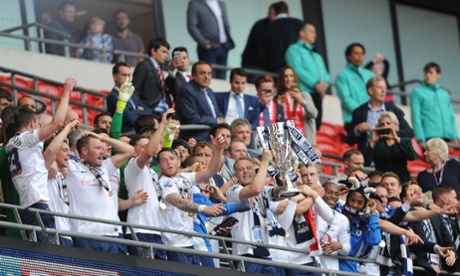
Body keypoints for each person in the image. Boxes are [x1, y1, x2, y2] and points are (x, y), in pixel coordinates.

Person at [5, 77, 75, 242]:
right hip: (38, 205)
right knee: (46, 257)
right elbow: (56, 123)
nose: (39, 130)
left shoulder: (12, 144)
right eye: (38, 126)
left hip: (29, 204)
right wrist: (66, 91)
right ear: (31, 125)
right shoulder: (26, 139)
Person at [156, 134, 226, 264]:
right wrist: (203, 208)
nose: (169, 162)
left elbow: (212, 170)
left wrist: (217, 150)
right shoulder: (165, 181)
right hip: (173, 243)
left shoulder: (186, 178)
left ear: (179, 161)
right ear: (159, 166)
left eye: (171, 158)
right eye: (164, 160)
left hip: (188, 241)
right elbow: (177, 201)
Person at [66, 131, 134, 252]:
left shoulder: (105, 166)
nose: (102, 152)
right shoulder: (72, 167)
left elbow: (129, 151)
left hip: (111, 234)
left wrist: (101, 137)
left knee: (112, 271)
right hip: (85, 234)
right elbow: (51, 155)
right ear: (84, 151)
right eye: (97, 148)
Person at [124, 109, 174, 259]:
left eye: (149, 145)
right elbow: (149, 152)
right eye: (143, 146)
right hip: (140, 229)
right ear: (134, 151)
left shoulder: (153, 172)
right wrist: (162, 125)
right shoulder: (133, 166)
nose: (148, 149)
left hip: (157, 231)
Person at [346, 76, 414, 153]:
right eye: (379, 88)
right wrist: (357, 130)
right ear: (370, 90)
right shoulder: (358, 112)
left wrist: (392, 133)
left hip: (390, 157)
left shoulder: (395, 110)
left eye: (385, 88)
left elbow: (409, 132)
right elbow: (349, 141)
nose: (383, 91)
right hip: (368, 157)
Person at [286, 22, 330, 130]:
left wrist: (325, 85)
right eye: (311, 31)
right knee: (302, 125)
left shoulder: (317, 55)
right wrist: (315, 84)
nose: (315, 34)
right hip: (303, 93)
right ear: (302, 33)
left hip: (318, 94)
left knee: (316, 125)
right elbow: (296, 69)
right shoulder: (293, 49)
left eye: (315, 32)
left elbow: (325, 74)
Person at [43, 119, 79, 246]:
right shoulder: (45, 170)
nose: (69, 154)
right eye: (64, 150)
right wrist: (68, 127)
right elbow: (48, 152)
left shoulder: (66, 174)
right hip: (52, 234)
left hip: (67, 236)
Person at [410, 62, 458, 149]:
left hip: (447, 137)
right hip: (429, 137)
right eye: (426, 72)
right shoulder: (417, 92)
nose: (428, 75)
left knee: (446, 162)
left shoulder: (445, 93)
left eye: (431, 72)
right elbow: (416, 117)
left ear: (438, 75)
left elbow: (451, 116)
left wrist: (455, 135)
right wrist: (420, 138)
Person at [176, 61, 224, 141]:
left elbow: (216, 112)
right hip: (195, 138)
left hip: (212, 137)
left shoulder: (209, 91)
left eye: (209, 74)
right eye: (202, 73)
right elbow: (192, 117)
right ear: (193, 75)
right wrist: (217, 121)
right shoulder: (187, 90)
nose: (206, 77)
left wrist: (222, 118)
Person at [186, 0, 235, 80]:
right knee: (209, 78)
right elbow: (192, 26)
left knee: (222, 78)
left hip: (223, 47)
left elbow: (226, 24)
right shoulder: (195, 4)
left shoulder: (221, 4)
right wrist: (205, 43)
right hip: (208, 49)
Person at [364, 111, 417, 183]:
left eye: (388, 123)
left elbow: (412, 156)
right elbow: (366, 162)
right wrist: (373, 141)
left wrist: (397, 138)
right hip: (382, 181)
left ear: (395, 125)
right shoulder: (376, 144)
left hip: (402, 180)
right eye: (382, 124)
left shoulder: (404, 141)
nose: (385, 126)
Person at [335, 43, 375, 129]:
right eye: (356, 53)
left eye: (362, 53)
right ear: (348, 56)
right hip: (352, 120)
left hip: (373, 119)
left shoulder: (370, 74)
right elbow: (346, 99)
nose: (360, 56)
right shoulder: (342, 76)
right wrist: (362, 113)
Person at [257, 1, 303, 73]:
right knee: (293, 84)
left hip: (276, 69)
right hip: (297, 68)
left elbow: (262, 53)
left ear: (275, 12)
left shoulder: (267, 27)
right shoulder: (298, 23)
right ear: (288, 12)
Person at [276, 66, 317, 144]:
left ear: (295, 78)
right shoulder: (278, 98)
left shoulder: (305, 95)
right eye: (285, 76)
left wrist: (303, 101)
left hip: (305, 143)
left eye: (291, 76)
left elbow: (314, 114)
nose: (289, 79)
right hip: (286, 143)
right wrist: (279, 108)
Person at [107, 62, 150, 133]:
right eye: (124, 75)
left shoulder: (131, 93)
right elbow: (131, 120)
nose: (127, 78)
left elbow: (149, 111)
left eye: (129, 75)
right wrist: (139, 110)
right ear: (115, 76)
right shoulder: (113, 96)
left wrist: (133, 111)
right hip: (126, 134)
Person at [132, 37, 171, 113]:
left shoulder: (159, 70)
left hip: (163, 111)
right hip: (150, 111)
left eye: (167, 53)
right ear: (153, 51)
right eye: (163, 52)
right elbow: (135, 90)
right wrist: (140, 107)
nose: (166, 55)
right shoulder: (144, 66)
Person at [241, 3, 276, 83]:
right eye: (270, 13)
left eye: (274, 14)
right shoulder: (261, 25)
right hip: (254, 66)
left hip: (263, 67)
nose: (271, 16)